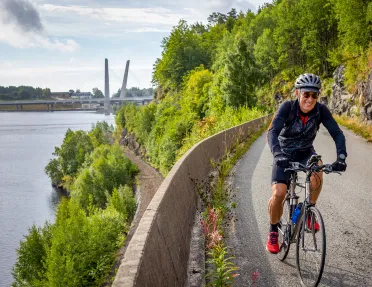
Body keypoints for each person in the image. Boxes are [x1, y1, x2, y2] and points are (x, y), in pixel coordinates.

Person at [266, 73, 347, 254]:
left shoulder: (321, 110)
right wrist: (277, 153)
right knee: (279, 193)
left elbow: (337, 133)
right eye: (306, 94)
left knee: (318, 169)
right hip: (284, 154)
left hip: (305, 152)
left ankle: (309, 208)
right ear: (298, 93)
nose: (310, 99)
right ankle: (273, 231)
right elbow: (272, 132)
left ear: (318, 96)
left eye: (314, 95)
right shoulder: (287, 107)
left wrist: (341, 157)